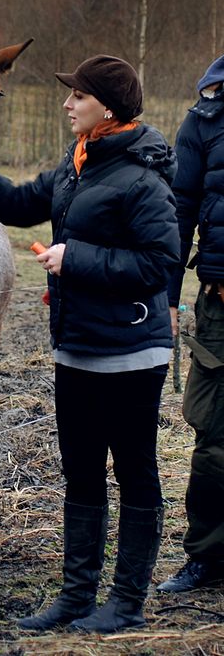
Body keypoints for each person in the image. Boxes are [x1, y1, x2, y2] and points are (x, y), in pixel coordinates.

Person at [0, 54, 179, 634]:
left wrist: (74, 258)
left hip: (132, 353)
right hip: (77, 346)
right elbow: (21, 202)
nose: (66, 103)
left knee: (134, 473)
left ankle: (126, 603)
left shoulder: (142, 175)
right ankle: (77, 596)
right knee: (80, 472)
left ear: (107, 106)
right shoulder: (78, 164)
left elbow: (160, 263)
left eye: (78, 95)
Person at [161, 54, 224, 594]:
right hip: (220, 303)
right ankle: (209, 556)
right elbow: (180, 208)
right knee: (214, 434)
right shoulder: (206, 116)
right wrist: (167, 298)